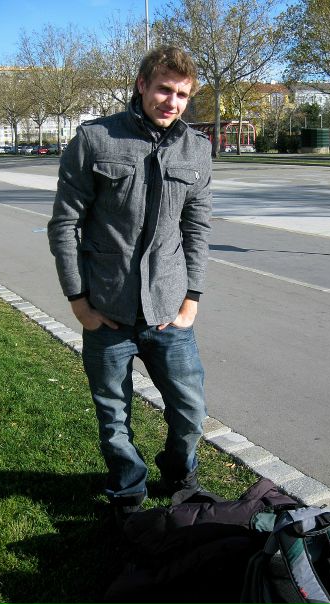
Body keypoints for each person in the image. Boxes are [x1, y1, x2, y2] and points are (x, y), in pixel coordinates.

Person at [47, 46, 212, 522]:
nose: (172, 102)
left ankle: (179, 475)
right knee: (113, 415)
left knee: (190, 412)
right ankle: (127, 490)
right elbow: (65, 225)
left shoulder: (197, 150)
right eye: (164, 89)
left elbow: (197, 228)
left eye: (182, 94)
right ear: (142, 85)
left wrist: (191, 299)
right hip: (108, 311)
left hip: (169, 312)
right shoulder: (95, 139)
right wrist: (79, 301)